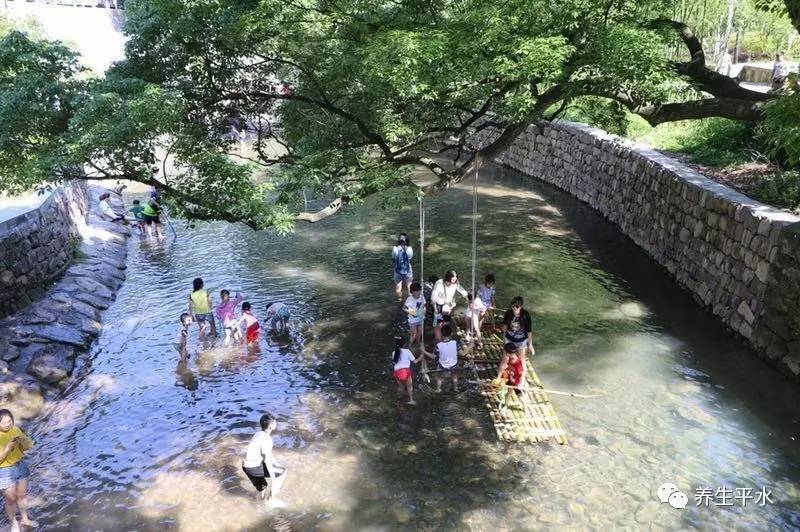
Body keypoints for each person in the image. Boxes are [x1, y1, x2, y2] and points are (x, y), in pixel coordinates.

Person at [0, 410, 36, 531]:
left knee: (22, 495)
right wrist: (7, 449)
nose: (7, 424)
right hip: (4, 471)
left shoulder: (15, 429)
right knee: (11, 500)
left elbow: (28, 446)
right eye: (3, 422)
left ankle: (25, 519)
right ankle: (14, 524)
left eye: (9, 421)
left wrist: (23, 441)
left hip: (20, 465)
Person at [242, 413, 287, 508]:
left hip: (246, 466)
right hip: (254, 467)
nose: (276, 424)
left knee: (262, 488)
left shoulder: (258, 434)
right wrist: (273, 478)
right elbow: (267, 461)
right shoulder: (267, 439)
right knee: (283, 473)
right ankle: (270, 500)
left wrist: (277, 464)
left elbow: (268, 455)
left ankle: (259, 506)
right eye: (275, 423)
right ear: (270, 427)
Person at [430, 270, 468, 341]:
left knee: (446, 323)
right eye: (453, 277)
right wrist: (435, 309)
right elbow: (433, 298)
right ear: (448, 278)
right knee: (438, 325)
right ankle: (438, 341)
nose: (455, 279)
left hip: (448, 307)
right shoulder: (439, 284)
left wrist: (468, 298)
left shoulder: (455, 283)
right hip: (438, 306)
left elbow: (461, 290)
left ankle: (444, 338)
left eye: (456, 277)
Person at [392, 336, 426, 405]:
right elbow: (415, 361)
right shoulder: (407, 351)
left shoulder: (393, 352)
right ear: (404, 344)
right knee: (410, 387)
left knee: (401, 387)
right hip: (405, 372)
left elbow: (394, 363)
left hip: (397, 372)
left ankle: (398, 399)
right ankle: (411, 400)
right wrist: (421, 356)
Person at [426, 324, 459, 393]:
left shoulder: (438, 345)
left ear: (441, 334)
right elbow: (463, 353)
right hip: (454, 365)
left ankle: (438, 389)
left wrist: (423, 351)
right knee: (454, 375)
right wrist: (470, 346)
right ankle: (456, 388)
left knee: (439, 376)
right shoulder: (455, 343)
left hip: (442, 365)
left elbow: (433, 356)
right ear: (451, 333)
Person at [495, 343, 526, 413]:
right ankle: (506, 406)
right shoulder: (509, 359)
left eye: (505, 352)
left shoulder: (518, 362)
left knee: (520, 396)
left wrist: (521, 384)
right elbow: (509, 367)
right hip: (511, 379)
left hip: (517, 382)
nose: (504, 353)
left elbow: (522, 373)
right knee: (508, 393)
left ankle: (525, 407)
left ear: (507, 352)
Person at [392, 233, 414, 298]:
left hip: (398, 271)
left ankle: (399, 302)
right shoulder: (409, 249)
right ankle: (411, 302)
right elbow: (410, 258)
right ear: (407, 240)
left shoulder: (395, 249)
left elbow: (393, 259)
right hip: (407, 270)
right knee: (410, 287)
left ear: (398, 240)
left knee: (398, 289)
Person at [404, 281, 425, 346]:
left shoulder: (422, 297)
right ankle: (409, 347)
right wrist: (412, 312)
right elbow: (404, 308)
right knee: (413, 334)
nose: (419, 292)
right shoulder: (409, 299)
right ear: (412, 292)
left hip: (420, 319)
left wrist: (424, 312)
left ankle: (418, 343)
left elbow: (424, 305)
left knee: (420, 333)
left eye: (419, 291)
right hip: (412, 320)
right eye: (416, 291)